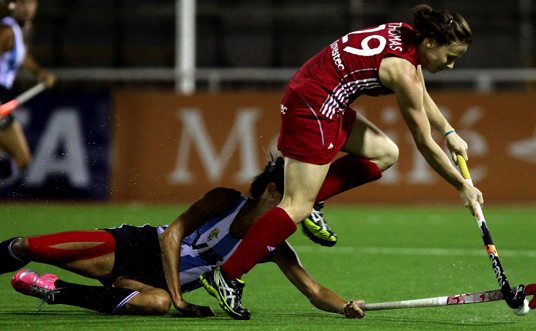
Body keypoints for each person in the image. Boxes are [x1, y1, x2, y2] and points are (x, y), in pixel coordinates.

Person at [200, 4, 485, 320]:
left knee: (385, 152)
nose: (452, 66)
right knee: (296, 205)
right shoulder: (401, 71)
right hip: (315, 107)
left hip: (319, 96)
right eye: (450, 57)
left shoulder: (404, 34)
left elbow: (419, 90)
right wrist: (462, 185)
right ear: (431, 42)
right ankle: (228, 275)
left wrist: (449, 130)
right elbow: (423, 143)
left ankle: (313, 201)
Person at [0, 157, 365, 319]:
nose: (298, 207)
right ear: (272, 191)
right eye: (292, 195)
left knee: (155, 304)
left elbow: (314, 291)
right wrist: (179, 297)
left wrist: (345, 306)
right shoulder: (225, 200)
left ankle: (54, 290)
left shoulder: (272, 245)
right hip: (132, 247)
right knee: (27, 246)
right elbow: (171, 236)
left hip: (150, 283)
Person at [0, 0, 56, 179]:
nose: (28, 8)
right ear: (13, 5)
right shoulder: (6, 32)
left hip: (3, 100)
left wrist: (40, 73)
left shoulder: (25, 28)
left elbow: (21, 56)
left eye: (32, 3)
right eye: (23, 3)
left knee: (22, 159)